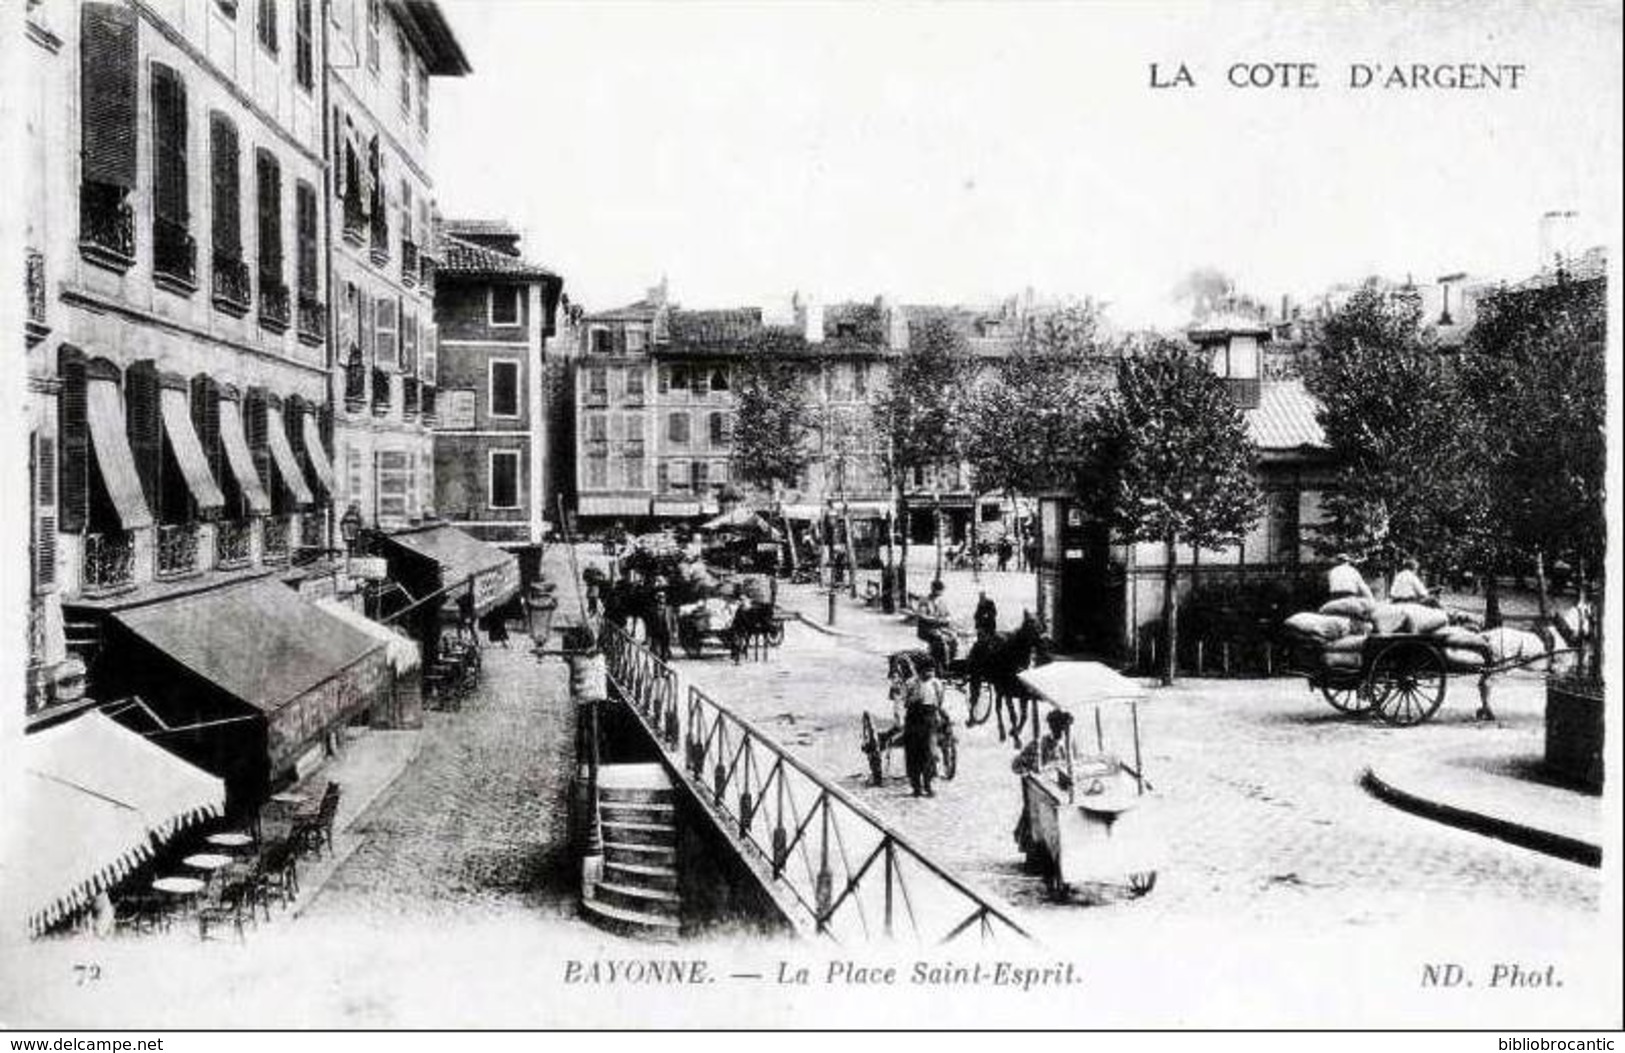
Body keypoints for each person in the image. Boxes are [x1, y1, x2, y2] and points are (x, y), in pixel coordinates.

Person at [1012, 709, 1075, 853]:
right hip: (1043, 789)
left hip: (1061, 789)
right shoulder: (1038, 744)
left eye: (1063, 727)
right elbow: (1016, 765)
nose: (1060, 730)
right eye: (1057, 726)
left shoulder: (1068, 745)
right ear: (1051, 726)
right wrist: (1029, 773)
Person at [904, 662, 946, 797]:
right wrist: (914, 699)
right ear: (919, 672)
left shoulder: (936, 684)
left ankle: (928, 785)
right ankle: (916, 786)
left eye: (932, 671)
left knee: (928, 753)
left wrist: (937, 714)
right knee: (913, 752)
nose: (929, 674)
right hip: (914, 718)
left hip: (929, 718)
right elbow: (904, 702)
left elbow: (939, 701)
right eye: (926, 671)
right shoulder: (911, 683)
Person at [915, 579, 957, 672]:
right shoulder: (925, 601)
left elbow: (948, 615)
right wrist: (936, 620)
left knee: (953, 637)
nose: (939, 592)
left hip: (940, 627)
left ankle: (950, 661)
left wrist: (947, 620)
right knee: (940, 640)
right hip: (926, 629)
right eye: (938, 590)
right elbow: (922, 616)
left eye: (941, 590)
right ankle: (941, 664)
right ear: (932, 589)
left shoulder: (942, 601)